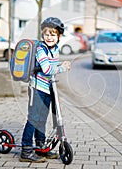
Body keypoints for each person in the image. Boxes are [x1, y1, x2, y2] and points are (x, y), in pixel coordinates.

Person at [20, 17, 71, 163]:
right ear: (43, 34)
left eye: (53, 34)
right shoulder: (41, 49)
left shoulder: (54, 49)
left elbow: (52, 64)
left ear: (59, 36)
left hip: (48, 89)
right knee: (33, 118)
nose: (49, 37)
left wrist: (61, 64)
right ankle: (26, 150)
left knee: (42, 119)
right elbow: (47, 69)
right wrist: (63, 67)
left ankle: (41, 146)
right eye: (46, 34)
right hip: (37, 89)